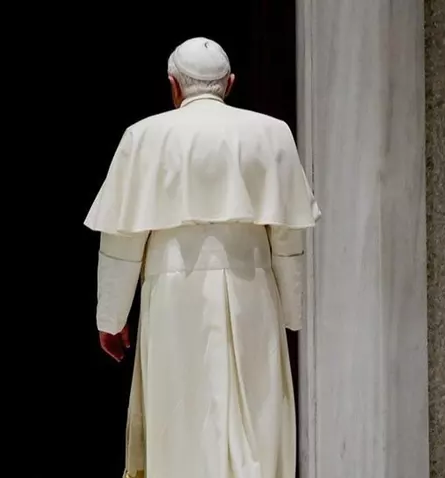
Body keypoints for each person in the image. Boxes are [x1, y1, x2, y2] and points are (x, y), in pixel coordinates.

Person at [85, 37, 320, 478]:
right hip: (253, 291)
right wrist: (291, 313)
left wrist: (111, 319)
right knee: (254, 426)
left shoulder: (143, 136)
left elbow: (121, 240)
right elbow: (287, 236)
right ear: (230, 84)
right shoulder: (272, 133)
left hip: (174, 297)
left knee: (182, 423)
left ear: (173, 86)